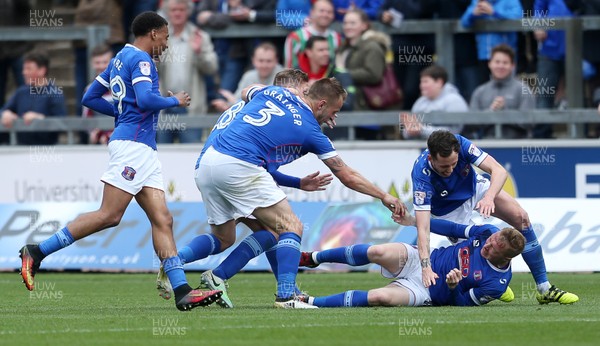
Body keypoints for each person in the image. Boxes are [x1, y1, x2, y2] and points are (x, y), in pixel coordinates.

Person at [18, 11, 222, 312]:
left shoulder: (119, 58)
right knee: (109, 214)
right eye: (165, 36)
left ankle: (182, 290)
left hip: (143, 148)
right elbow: (145, 100)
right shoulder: (141, 60)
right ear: (153, 33)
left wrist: (120, 113)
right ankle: (37, 251)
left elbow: (90, 97)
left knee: (162, 219)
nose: (166, 44)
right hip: (133, 147)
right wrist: (173, 101)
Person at [195, 77, 405, 308]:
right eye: (334, 111)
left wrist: (286, 92)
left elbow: (246, 90)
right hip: (239, 164)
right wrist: (384, 195)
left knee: (231, 237)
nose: (334, 117)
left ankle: (184, 268)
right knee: (291, 226)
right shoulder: (311, 131)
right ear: (321, 104)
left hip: (208, 161)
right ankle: (286, 296)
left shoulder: (275, 92)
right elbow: (347, 175)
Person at [156, 69, 334, 308]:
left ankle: (176, 263)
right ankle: (264, 287)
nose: (305, 97)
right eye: (304, 90)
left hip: (207, 166)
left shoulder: (249, 105)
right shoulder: (277, 113)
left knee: (226, 237)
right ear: (288, 88)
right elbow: (263, 166)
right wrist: (297, 183)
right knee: (278, 230)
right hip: (235, 170)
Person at [411, 130, 578, 304]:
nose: (451, 170)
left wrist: (489, 197)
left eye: (454, 164)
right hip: (449, 210)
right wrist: (425, 266)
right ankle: (494, 286)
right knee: (473, 257)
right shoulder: (421, 177)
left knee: (522, 218)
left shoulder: (460, 144)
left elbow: (499, 171)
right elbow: (423, 229)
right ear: (431, 159)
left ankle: (544, 288)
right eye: (445, 167)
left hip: (475, 189)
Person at [298, 219, 524, 307]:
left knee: (380, 297)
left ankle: (309, 301)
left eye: (494, 249)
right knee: (377, 250)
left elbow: (462, 305)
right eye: (491, 241)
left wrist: (454, 287)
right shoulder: (488, 232)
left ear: (506, 258)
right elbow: (454, 229)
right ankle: (313, 258)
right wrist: (418, 221)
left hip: (426, 291)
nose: (488, 245)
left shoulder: (497, 283)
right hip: (422, 259)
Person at [157, 0, 218, 143]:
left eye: (181, 9)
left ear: (188, 12)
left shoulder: (200, 36)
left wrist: (198, 53)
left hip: (190, 105)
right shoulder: (159, 37)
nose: (177, 13)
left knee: (191, 153)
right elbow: (151, 68)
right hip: (165, 105)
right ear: (167, 13)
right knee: (161, 155)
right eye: (173, 10)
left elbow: (212, 68)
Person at [468, 44, 534, 139]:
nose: (500, 66)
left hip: (518, 146)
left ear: (512, 66)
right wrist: (491, 112)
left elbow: (529, 122)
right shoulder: (480, 91)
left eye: (505, 62)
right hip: (487, 147)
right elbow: (470, 124)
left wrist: (504, 112)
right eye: (497, 62)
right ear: (489, 64)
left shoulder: (523, 89)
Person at [1, 50, 66, 145]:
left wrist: (41, 118)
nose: (24, 72)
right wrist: (5, 113)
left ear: (42, 70)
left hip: (46, 150)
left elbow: (63, 123)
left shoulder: (55, 93)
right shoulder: (21, 92)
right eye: (24, 69)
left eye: (28, 69)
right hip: (21, 149)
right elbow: (4, 110)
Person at [460, 0, 523, 84]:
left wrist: (494, 12)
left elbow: (518, 16)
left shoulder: (510, 1)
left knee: (508, 87)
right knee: (486, 89)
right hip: (484, 55)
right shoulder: (477, 2)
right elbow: (464, 22)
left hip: (505, 55)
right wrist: (473, 14)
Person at [400, 65, 469, 140]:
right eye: (421, 82)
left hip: (449, 149)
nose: (421, 86)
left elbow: (455, 132)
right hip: (422, 148)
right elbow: (407, 131)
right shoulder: (420, 102)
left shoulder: (454, 100)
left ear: (439, 82)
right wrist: (409, 131)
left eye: (425, 82)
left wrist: (422, 130)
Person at [212, 42, 283, 112]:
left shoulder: (284, 77)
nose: (264, 65)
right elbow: (238, 101)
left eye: (269, 61)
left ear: (276, 61)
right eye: (261, 61)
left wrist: (233, 100)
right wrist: (226, 105)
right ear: (253, 60)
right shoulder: (248, 76)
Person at [284, 0, 342, 69]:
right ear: (312, 12)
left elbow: (338, 67)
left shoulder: (336, 38)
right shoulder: (296, 37)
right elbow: (288, 69)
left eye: (329, 12)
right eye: (321, 11)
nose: (325, 15)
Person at [81, 44, 114, 145]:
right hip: (100, 144)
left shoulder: (124, 87)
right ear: (92, 64)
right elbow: (87, 120)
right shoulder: (89, 89)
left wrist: (111, 134)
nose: (101, 66)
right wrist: (99, 134)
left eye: (105, 62)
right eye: (97, 62)